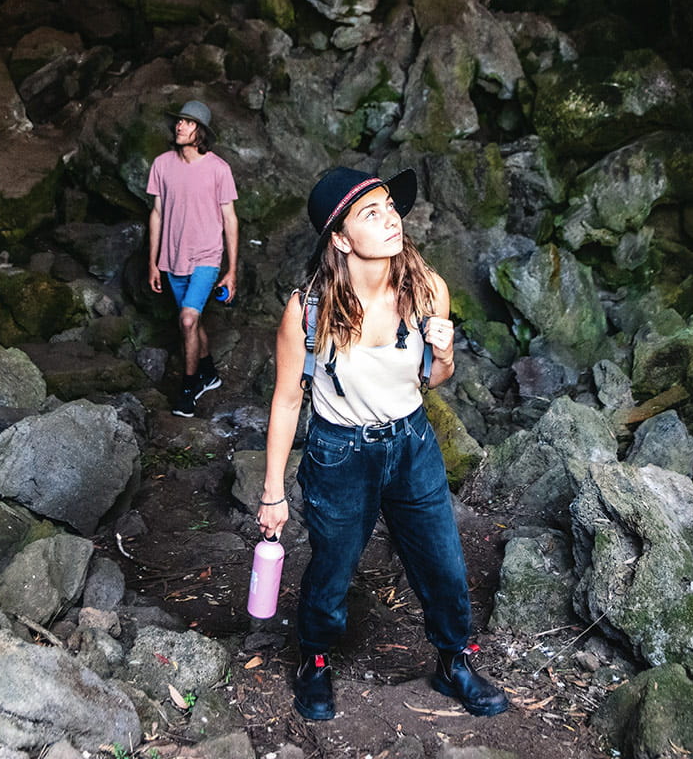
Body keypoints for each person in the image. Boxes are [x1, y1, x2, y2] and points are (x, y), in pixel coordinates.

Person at [256, 166, 509, 721]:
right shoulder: (308, 309)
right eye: (371, 213)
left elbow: (430, 379)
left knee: (443, 561)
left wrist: (443, 356)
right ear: (341, 238)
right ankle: (315, 660)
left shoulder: (427, 290)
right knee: (332, 566)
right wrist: (273, 490)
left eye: (390, 206)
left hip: (413, 443)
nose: (391, 218)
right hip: (339, 453)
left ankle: (453, 661)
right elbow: (285, 400)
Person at [145, 100, 239, 418]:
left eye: (187, 122)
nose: (179, 126)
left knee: (186, 320)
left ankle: (189, 388)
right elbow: (156, 214)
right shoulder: (161, 165)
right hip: (173, 259)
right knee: (193, 320)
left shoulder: (219, 170)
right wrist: (154, 262)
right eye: (179, 121)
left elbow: (230, 220)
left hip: (206, 257)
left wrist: (232, 271)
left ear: (200, 132)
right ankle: (210, 371)